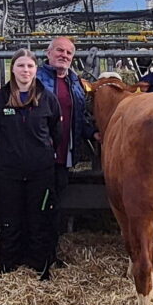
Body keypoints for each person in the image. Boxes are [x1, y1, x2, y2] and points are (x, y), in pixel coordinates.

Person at [0, 49, 62, 278]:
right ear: (13, 69)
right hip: (8, 172)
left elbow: (56, 133)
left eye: (29, 66)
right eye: (20, 65)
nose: (25, 70)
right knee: (10, 219)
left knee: (39, 218)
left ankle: (39, 263)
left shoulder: (48, 99)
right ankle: (8, 264)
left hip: (40, 171)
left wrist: (40, 153)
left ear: (36, 69)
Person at [38, 35, 94, 270]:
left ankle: (49, 253)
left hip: (64, 155)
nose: (64, 55)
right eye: (59, 50)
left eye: (69, 52)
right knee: (40, 204)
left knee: (54, 205)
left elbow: (80, 116)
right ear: (48, 53)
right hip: (40, 156)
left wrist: (94, 133)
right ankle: (36, 254)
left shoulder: (75, 82)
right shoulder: (35, 79)